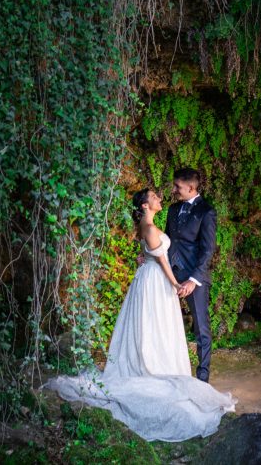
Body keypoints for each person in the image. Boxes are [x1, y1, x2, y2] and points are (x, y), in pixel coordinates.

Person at [44, 188, 235, 442]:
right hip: (156, 281)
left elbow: (152, 253)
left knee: (157, 326)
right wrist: (176, 284)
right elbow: (163, 261)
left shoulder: (150, 225)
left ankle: (159, 362)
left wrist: (145, 258)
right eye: (154, 196)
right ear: (145, 206)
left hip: (151, 279)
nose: (159, 198)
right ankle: (154, 366)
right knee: (154, 325)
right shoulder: (149, 226)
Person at [165, 167, 217, 383]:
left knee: (201, 327)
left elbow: (208, 249)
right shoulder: (172, 209)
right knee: (164, 323)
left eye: (178, 186)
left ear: (191, 187)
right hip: (168, 275)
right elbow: (167, 240)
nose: (174, 189)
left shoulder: (206, 212)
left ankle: (202, 378)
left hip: (193, 278)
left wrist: (194, 280)